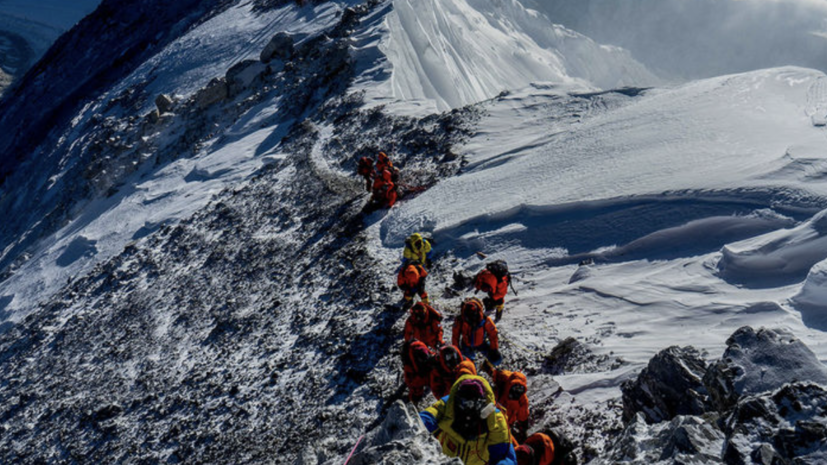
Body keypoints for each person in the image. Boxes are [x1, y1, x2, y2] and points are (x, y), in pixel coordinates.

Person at [420, 375, 517, 465]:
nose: (467, 408)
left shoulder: (494, 418)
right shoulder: (448, 404)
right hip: (444, 460)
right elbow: (426, 418)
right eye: (463, 402)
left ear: (481, 403)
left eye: (471, 403)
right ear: (457, 398)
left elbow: (505, 455)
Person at [485, 364, 530, 443]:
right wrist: (489, 369)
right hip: (492, 414)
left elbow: (523, 417)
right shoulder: (503, 380)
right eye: (515, 388)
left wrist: (524, 432)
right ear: (510, 384)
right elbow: (495, 374)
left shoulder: (522, 401)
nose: (516, 392)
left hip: (506, 424)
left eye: (520, 390)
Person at [452, 297, 502, 365]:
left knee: (496, 359)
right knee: (468, 365)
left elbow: (493, 334)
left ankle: (488, 367)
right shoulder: (460, 320)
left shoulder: (485, 319)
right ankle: (473, 369)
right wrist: (457, 350)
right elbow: (455, 335)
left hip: (482, 343)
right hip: (467, 345)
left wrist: (494, 349)